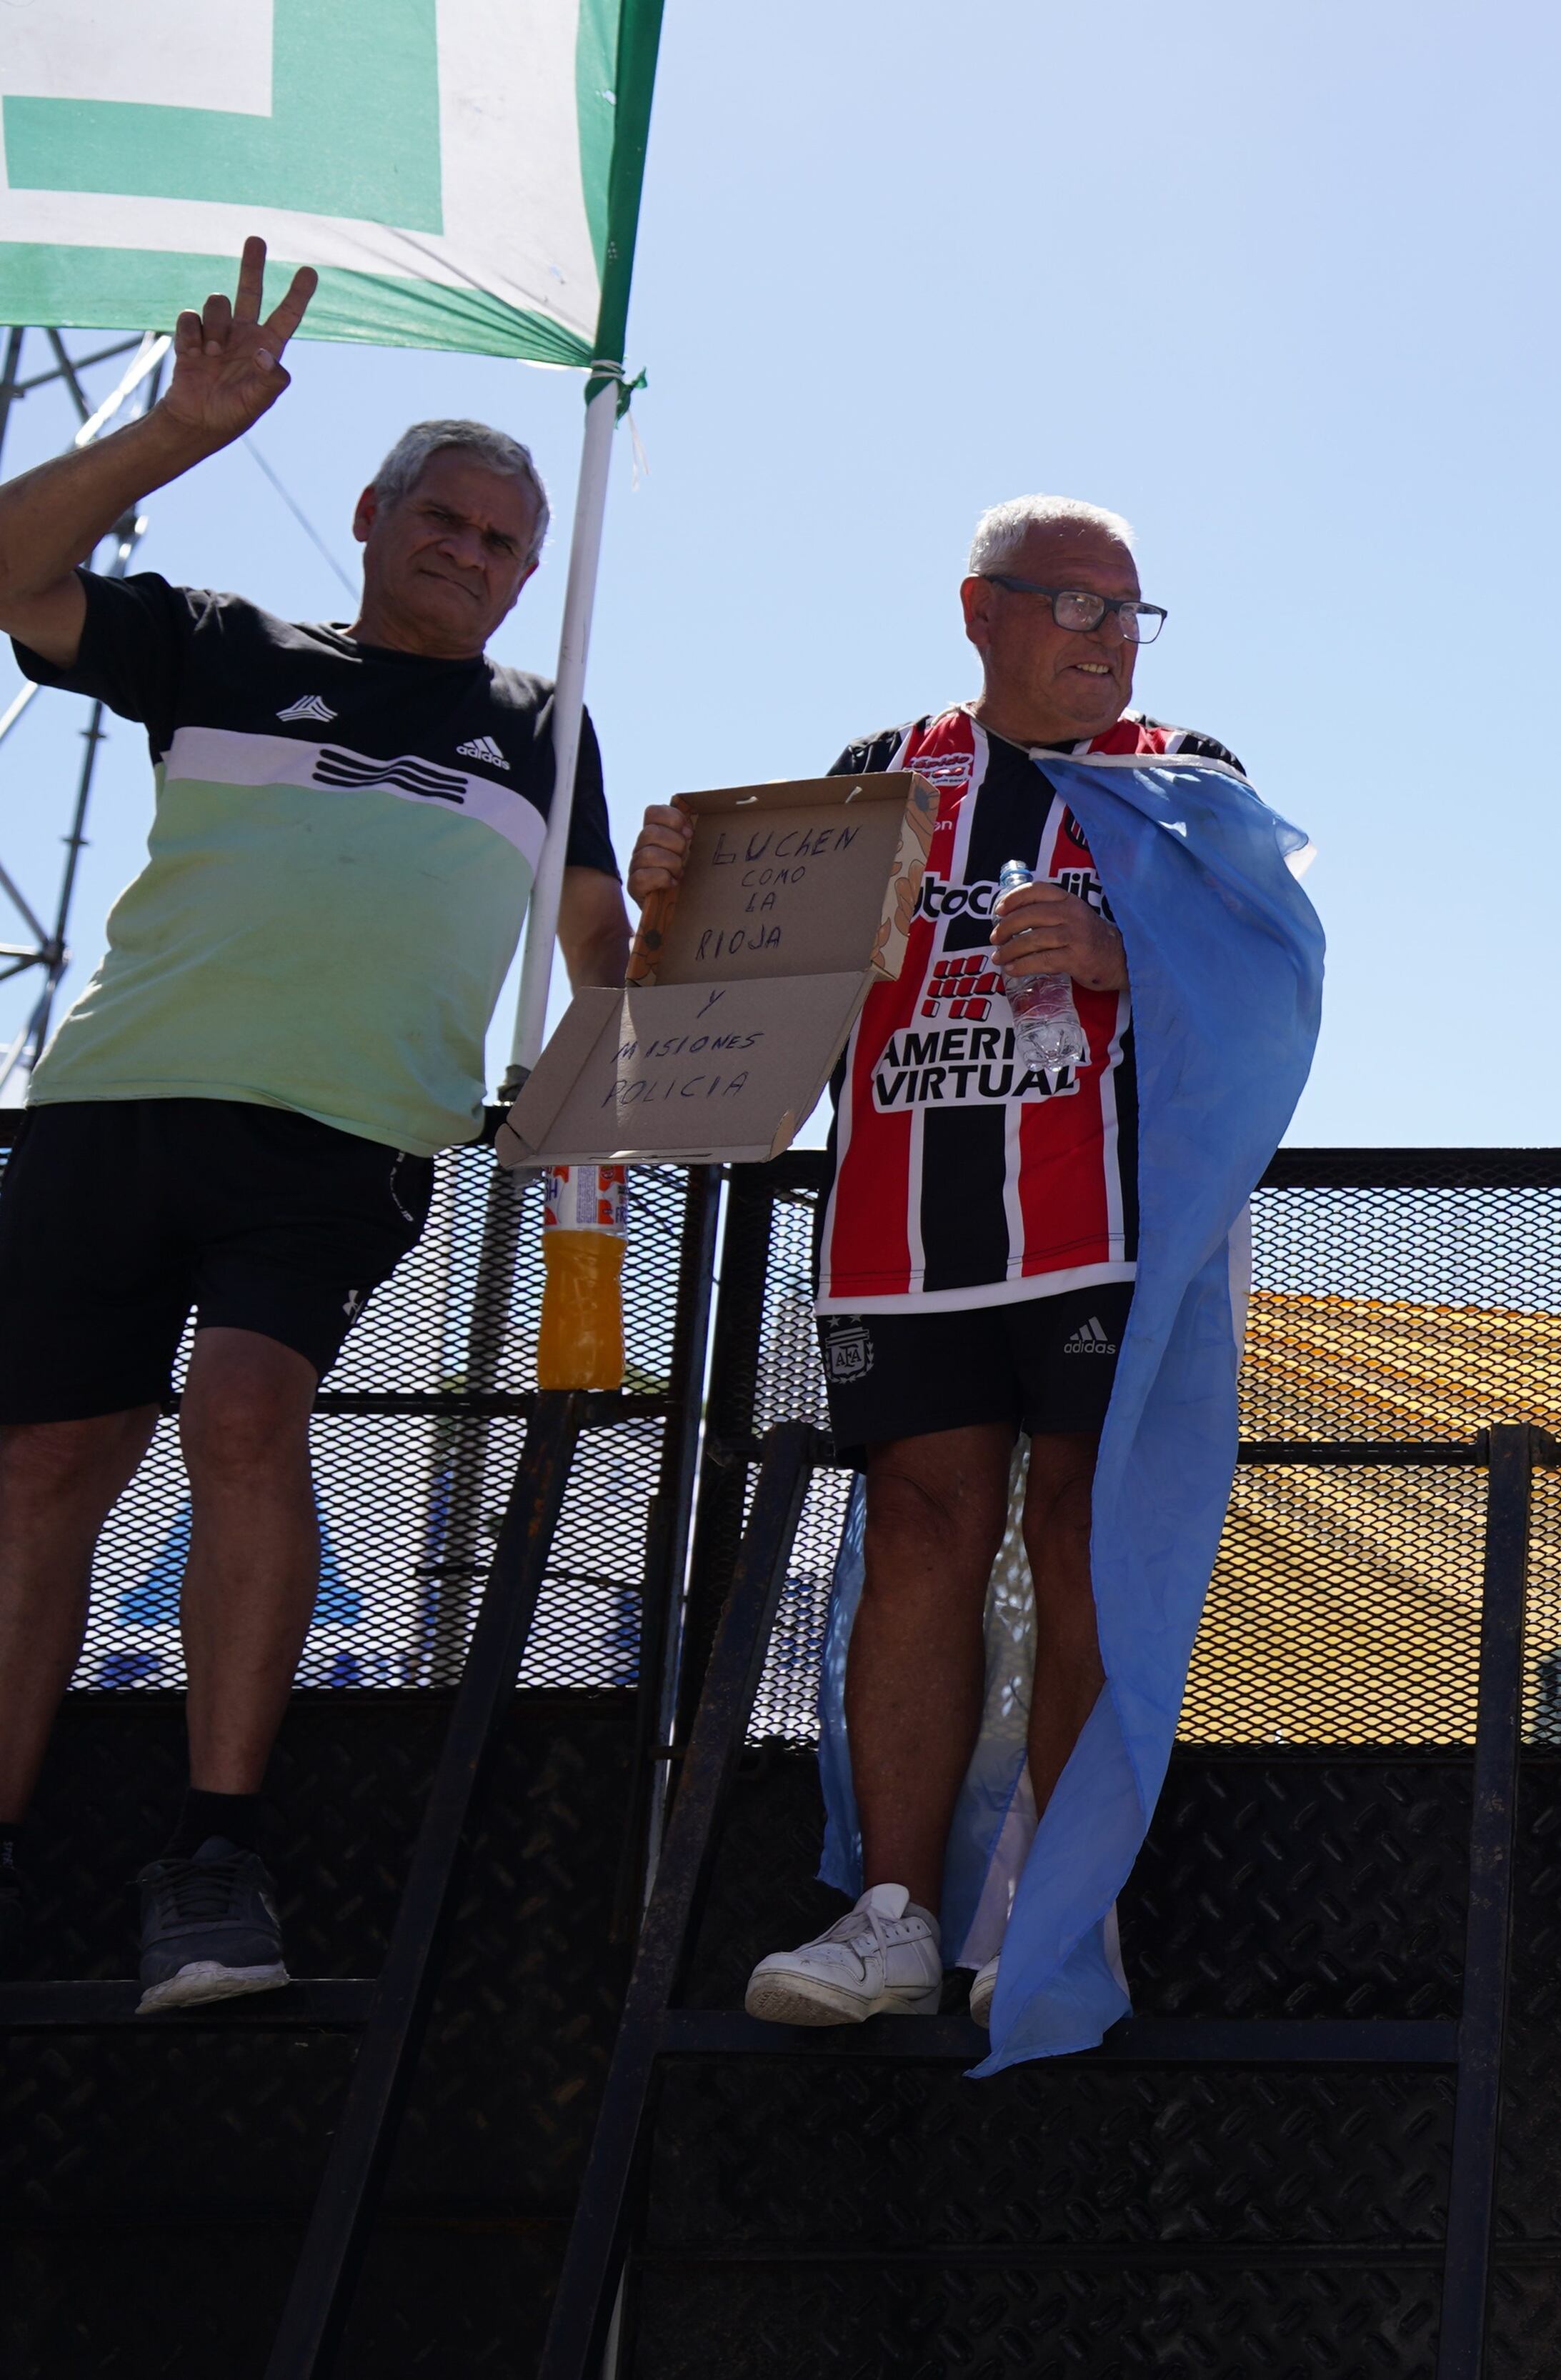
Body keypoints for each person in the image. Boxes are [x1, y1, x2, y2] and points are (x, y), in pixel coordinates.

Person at [0, 242, 630, 2009]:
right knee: (44, 1471)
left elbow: (607, 959)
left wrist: (677, 972)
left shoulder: (547, 725)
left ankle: (216, 1863)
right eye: (448, 520)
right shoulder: (215, 642)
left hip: (344, 1136)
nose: (478, 558)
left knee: (244, 1407)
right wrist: (176, 435)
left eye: (511, 544)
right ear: (372, 512)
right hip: (113, 1104)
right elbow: (10, 572)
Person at [630, 496, 1242, 2030]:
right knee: (914, 1534)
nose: (1109, 640)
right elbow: (726, 1004)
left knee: (1082, 1537)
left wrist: (1119, 948)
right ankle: (892, 1912)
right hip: (904, 1235)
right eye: (1077, 606)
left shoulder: (1187, 775)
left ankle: (1061, 1915)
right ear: (982, 610)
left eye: (1130, 611)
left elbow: (1272, 967)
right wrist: (674, 914)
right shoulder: (872, 784)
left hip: (1107, 1230)